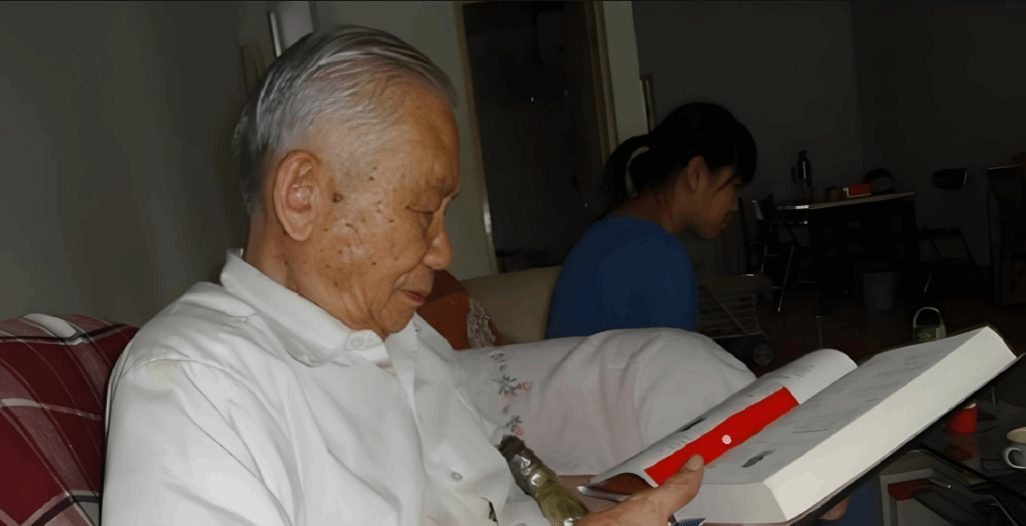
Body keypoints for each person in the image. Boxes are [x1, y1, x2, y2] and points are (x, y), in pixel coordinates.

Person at [100, 26, 707, 526]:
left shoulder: (409, 339)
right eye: (423, 210)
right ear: (302, 196)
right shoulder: (197, 384)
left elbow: (503, 494)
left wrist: (616, 501)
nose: (443, 252)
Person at [546, 103, 756, 339]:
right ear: (697, 174)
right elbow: (674, 362)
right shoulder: (658, 257)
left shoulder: (603, 233)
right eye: (734, 186)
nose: (734, 205)